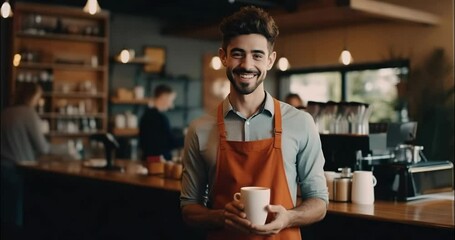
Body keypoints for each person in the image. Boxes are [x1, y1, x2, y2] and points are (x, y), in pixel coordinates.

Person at [180, 6, 328, 240]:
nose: (247, 65)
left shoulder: (301, 122)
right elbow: (189, 208)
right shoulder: (200, 129)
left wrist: (288, 218)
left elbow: (319, 201)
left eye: (257, 55)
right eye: (237, 53)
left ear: (270, 60)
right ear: (223, 57)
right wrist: (222, 217)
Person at [1, 82, 50, 228]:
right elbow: (43, 148)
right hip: (17, 171)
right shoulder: (28, 113)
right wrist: (68, 149)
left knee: (5, 216)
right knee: (18, 217)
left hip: (2, 170)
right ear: (32, 96)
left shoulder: (5, 113)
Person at [139, 84, 183, 161]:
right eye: (171, 100)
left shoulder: (145, 115)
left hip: (147, 160)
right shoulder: (160, 118)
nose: (171, 105)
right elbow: (169, 142)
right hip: (159, 163)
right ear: (163, 97)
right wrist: (188, 139)